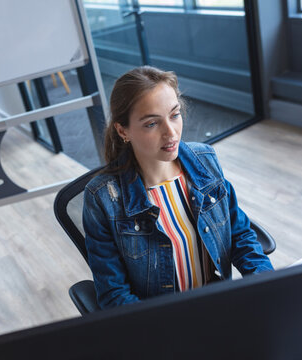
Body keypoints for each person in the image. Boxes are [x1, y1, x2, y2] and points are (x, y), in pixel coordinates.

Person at [82, 66, 274, 310]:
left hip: (218, 304)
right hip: (160, 324)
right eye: (152, 124)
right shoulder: (102, 199)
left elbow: (240, 235)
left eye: (174, 115)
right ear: (123, 131)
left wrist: (267, 285)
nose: (171, 133)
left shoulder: (204, 160)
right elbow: (114, 296)